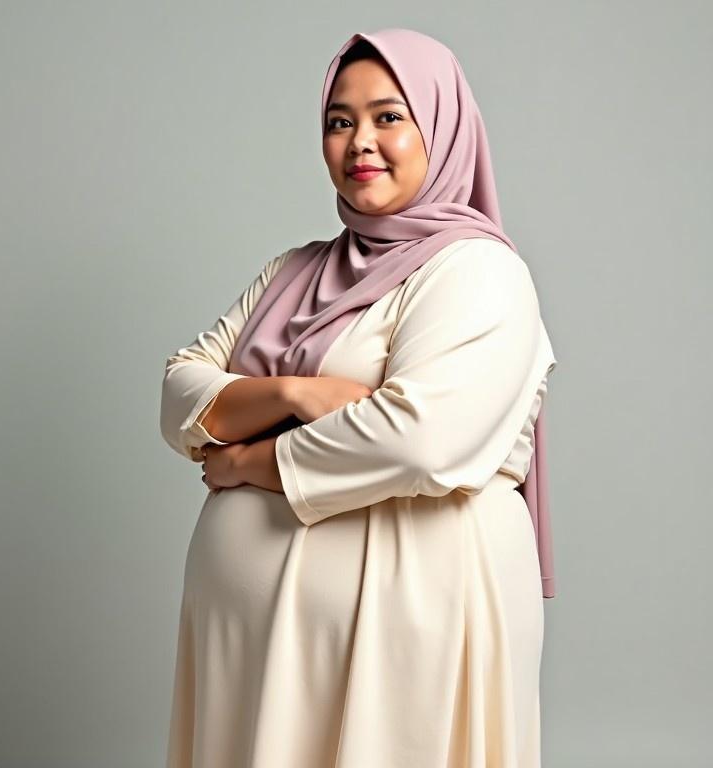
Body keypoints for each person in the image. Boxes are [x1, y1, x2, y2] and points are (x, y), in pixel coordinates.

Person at [159, 28, 558, 768]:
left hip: (407, 624)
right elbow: (180, 391)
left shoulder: (476, 274)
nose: (359, 143)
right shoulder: (295, 272)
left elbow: (419, 439)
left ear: (441, 126)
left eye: (388, 116)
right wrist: (298, 391)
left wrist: (255, 462)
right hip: (250, 641)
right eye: (339, 122)